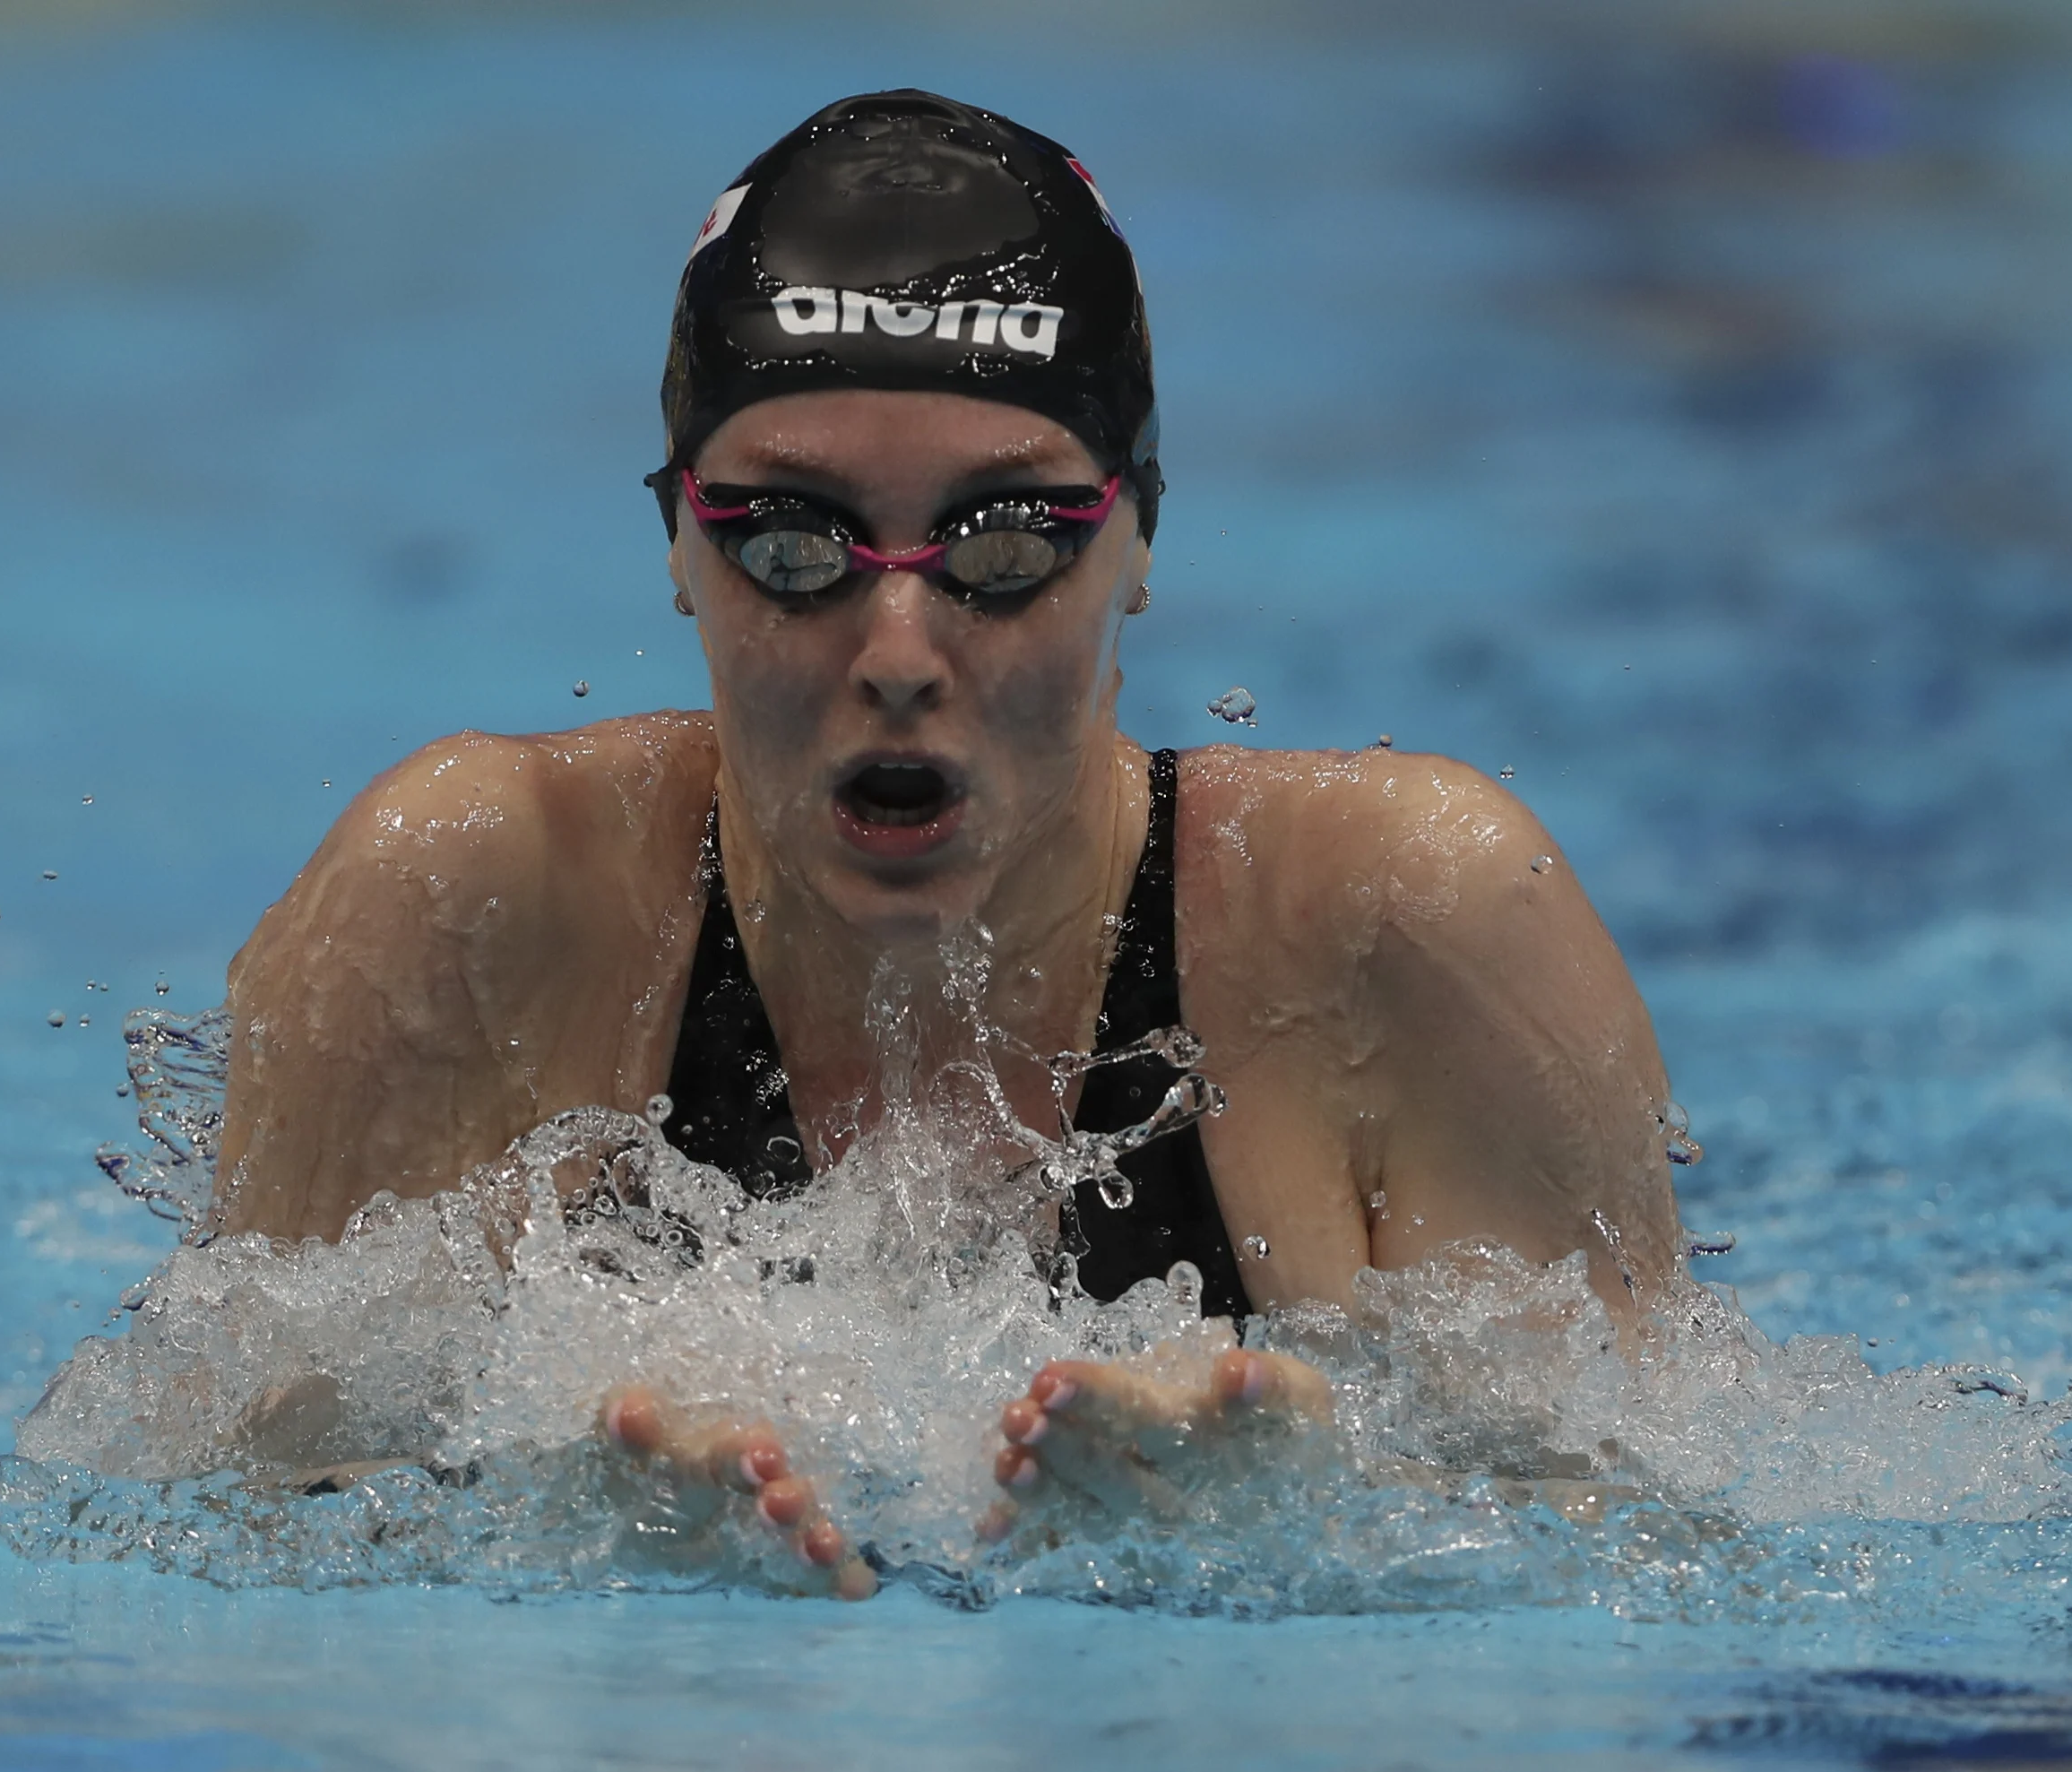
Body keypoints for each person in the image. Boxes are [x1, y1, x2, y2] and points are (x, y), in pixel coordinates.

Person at [211, 91, 1686, 1599]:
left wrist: (1310, 1541)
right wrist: (543, 1548)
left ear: (1140, 539)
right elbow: (214, 1527)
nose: (900, 651)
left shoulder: (1408, 916)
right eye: (791, 543)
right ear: (677, 545)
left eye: (1008, 544)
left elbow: (1665, 1561)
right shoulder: (469, 894)